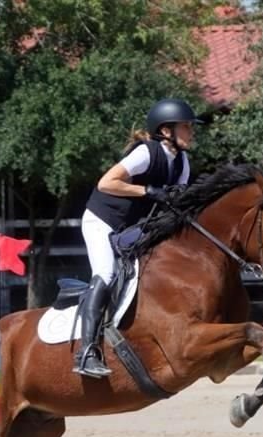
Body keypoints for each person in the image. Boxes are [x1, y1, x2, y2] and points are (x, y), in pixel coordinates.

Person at [74, 98, 200, 378]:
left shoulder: (182, 162)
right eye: (186, 126)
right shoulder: (146, 153)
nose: (192, 132)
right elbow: (106, 182)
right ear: (166, 131)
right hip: (103, 221)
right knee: (106, 273)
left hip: (134, 228)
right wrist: (147, 191)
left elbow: (176, 200)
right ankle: (87, 352)